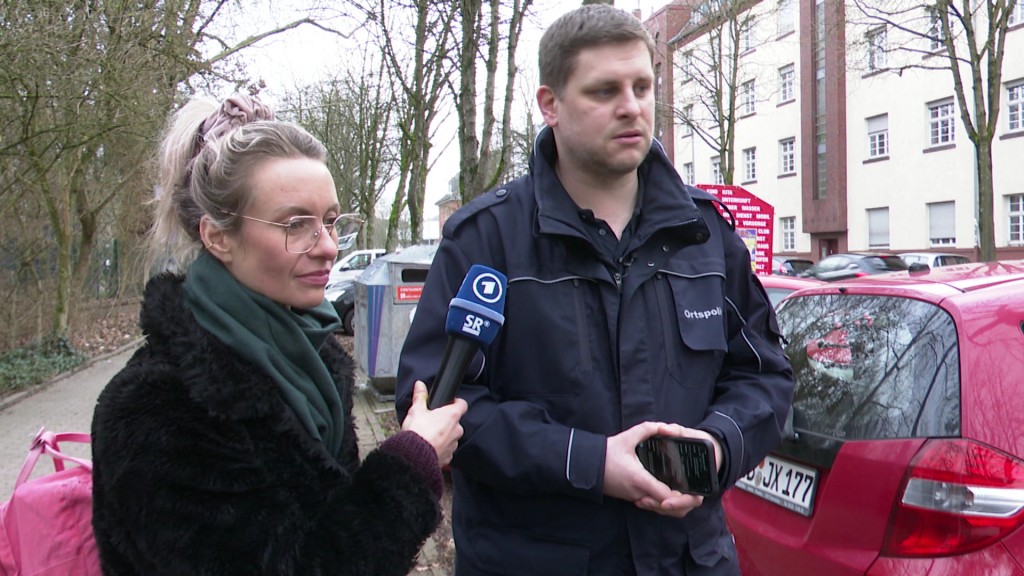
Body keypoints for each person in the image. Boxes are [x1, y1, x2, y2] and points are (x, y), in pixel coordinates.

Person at [395, 5, 794, 575]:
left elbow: (764, 376)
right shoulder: (487, 241)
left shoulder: (705, 236)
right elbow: (434, 405)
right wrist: (590, 461)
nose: (631, 107)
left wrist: (717, 448)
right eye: (604, 91)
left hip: (687, 560)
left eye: (642, 86)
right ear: (550, 105)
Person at [90, 94, 468, 576]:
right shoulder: (154, 404)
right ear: (217, 237)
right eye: (296, 225)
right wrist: (410, 465)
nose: (328, 247)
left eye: (331, 221)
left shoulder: (312, 361)